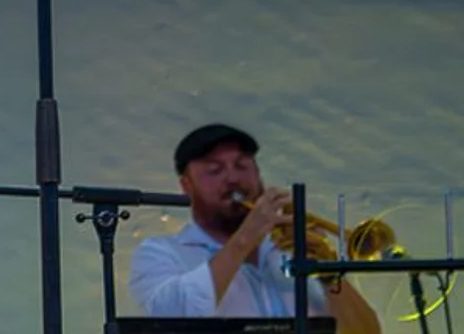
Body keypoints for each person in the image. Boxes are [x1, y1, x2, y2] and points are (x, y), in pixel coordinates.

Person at [129, 124, 378, 332]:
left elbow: (368, 332)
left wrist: (327, 275)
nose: (233, 178)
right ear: (187, 185)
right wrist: (246, 237)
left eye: (242, 166)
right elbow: (174, 318)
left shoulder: (290, 251)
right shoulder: (161, 253)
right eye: (215, 170)